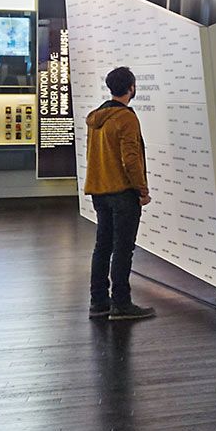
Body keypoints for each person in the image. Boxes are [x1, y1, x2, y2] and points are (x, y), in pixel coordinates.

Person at [84, 66, 153, 321]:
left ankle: (99, 302)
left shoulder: (96, 118)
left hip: (99, 191)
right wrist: (142, 190)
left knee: (102, 247)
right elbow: (131, 160)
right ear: (131, 88)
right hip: (123, 193)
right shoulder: (126, 118)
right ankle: (121, 303)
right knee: (123, 249)